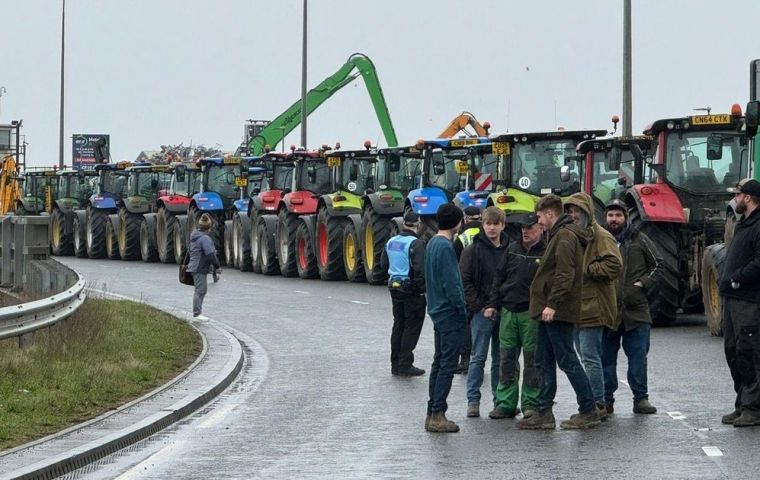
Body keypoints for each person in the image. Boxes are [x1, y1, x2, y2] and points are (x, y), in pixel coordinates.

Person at [517, 194, 600, 430]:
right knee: (544, 359)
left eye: (540, 216)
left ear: (551, 214)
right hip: (549, 310)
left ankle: (588, 409)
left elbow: (565, 274)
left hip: (557, 311)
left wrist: (552, 304)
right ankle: (544, 412)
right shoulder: (559, 235)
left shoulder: (564, 237)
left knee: (567, 360)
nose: (539, 221)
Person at [565, 193, 622, 420]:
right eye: (569, 211)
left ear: (586, 211)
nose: (572, 215)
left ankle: (598, 403)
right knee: (584, 355)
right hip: (578, 305)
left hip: (594, 305)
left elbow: (614, 265)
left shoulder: (601, 236)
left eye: (576, 210)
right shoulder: (573, 235)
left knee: (590, 357)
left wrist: (588, 270)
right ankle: (593, 401)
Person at [601, 199, 661, 416]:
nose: (614, 220)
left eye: (618, 215)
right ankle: (606, 401)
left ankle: (641, 399)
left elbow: (658, 265)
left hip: (636, 311)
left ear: (626, 217)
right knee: (605, 359)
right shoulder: (601, 241)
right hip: (608, 311)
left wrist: (641, 284)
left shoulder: (639, 239)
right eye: (610, 216)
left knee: (638, 357)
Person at [485, 212, 545, 419]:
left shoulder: (546, 251)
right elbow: (498, 278)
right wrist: (493, 304)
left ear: (541, 228)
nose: (525, 231)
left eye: (530, 228)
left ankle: (531, 403)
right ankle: (505, 403)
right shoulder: (512, 249)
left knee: (531, 360)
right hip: (508, 311)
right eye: (523, 228)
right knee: (507, 359)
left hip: (531, 313)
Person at [459, 207, 509, 418]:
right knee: (478, 357)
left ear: (502, 225)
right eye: (488, 223)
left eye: (495, 224)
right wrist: (480, 306)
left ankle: (500, 400)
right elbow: (465, 281)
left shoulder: (509, 249)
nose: (491, 228)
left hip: (503, 310)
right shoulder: (472, 250)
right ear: (483, 224)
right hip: (481, 312)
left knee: (501, 358)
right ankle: (473, 400)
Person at [719, 179, 760, 426]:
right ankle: (742, 403)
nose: (734, 199)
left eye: (737, 195)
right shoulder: (745, 223)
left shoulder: (758, 225)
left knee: (750, 352)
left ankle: (754, 409)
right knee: (733, 351)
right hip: (733, 298)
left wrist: (736, 278)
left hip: (749, 299)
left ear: (747, 198)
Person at [424, 203, 467, 433]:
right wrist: (462, 307)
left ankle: (431, 412)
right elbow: (452, 283)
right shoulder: (446, 247)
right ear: (457, 222)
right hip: (449, 312)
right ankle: (439, 413)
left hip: (436, 311)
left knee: (438, 362)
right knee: (448, 365)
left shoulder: (432, 242)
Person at [380, 210, 427, 377]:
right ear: (418, 224)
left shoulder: (391, 242)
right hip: (411, 289)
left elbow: (383, 264)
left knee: (398, 324)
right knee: (411, 327)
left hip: (394, 287)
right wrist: (423, 290)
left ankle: (395, 363)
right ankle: (405, 363)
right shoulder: (416, 244)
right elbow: (420, 269)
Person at [452, 205, 483, 374]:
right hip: (485, 284)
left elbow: (454, 263)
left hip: (467, 285)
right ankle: (481, 357)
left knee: (466, 324)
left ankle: (465, 360)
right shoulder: (487, 234)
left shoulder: (462, 238)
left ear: (465, 219)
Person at [186, 213, 221, 322]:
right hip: (199, 267)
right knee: (200, 291)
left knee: (201, 290)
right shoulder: (205, 238)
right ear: (209, 227)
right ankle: (197, 314)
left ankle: (198, 312)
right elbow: (210, 254)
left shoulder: (196, 235)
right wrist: (217, 266)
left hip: (195, 266)